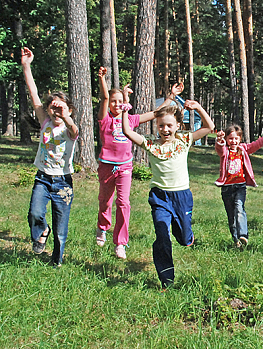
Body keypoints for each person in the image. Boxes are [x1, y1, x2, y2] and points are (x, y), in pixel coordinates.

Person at [121, 99, 214, 289]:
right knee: (162, 235)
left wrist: (197, 108)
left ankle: (187, 237)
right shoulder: (151, 144)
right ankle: (166, 279)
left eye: (169, 125)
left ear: (177, 125)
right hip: (159, 197)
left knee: (183, 237)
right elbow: (128, 132)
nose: (165, 129)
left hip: (182, 197)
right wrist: (125, 109)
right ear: (156, 126)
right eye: (161, 125)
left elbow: (209, 127)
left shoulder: (184, 140)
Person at [95, 66, 184, 259]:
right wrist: (102, 79)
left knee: (124, 202)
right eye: (114, 102)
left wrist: (170, 97)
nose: (117, 105)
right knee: (105, 201)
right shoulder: (104, 120)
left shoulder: (131, 119)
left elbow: (155, 113)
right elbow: (102, 98)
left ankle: (120, 243)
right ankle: (102, 227)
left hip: (125, 166)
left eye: (121, 101)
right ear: (109, 104)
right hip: (106, 166)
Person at [21, 47, 79, 266]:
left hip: (63, 182)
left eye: (61, 109)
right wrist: (26, 65)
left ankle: (57, 261)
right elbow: (33, 92)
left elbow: (75, 132)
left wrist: (65, 115)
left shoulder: (69, 127)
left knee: (61, 227)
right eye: (53, 109)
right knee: (35, 213)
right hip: (43, 178)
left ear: (69, 110)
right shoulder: (45, 121)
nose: (56, 113)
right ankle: (41, 230)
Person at [215, 123, 263, 248]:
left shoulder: (243, 149)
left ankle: (243, 235)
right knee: (231, 216)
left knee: (239, 208)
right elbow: (220, 148)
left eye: (236, 138)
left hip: (240, 186)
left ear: (240, 139)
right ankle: (236, 240)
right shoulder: (225, 151)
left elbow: (257, 144)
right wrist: (219, 140)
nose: (233, 141)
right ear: (227, 139)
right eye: (230, 138)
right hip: (227, 188)